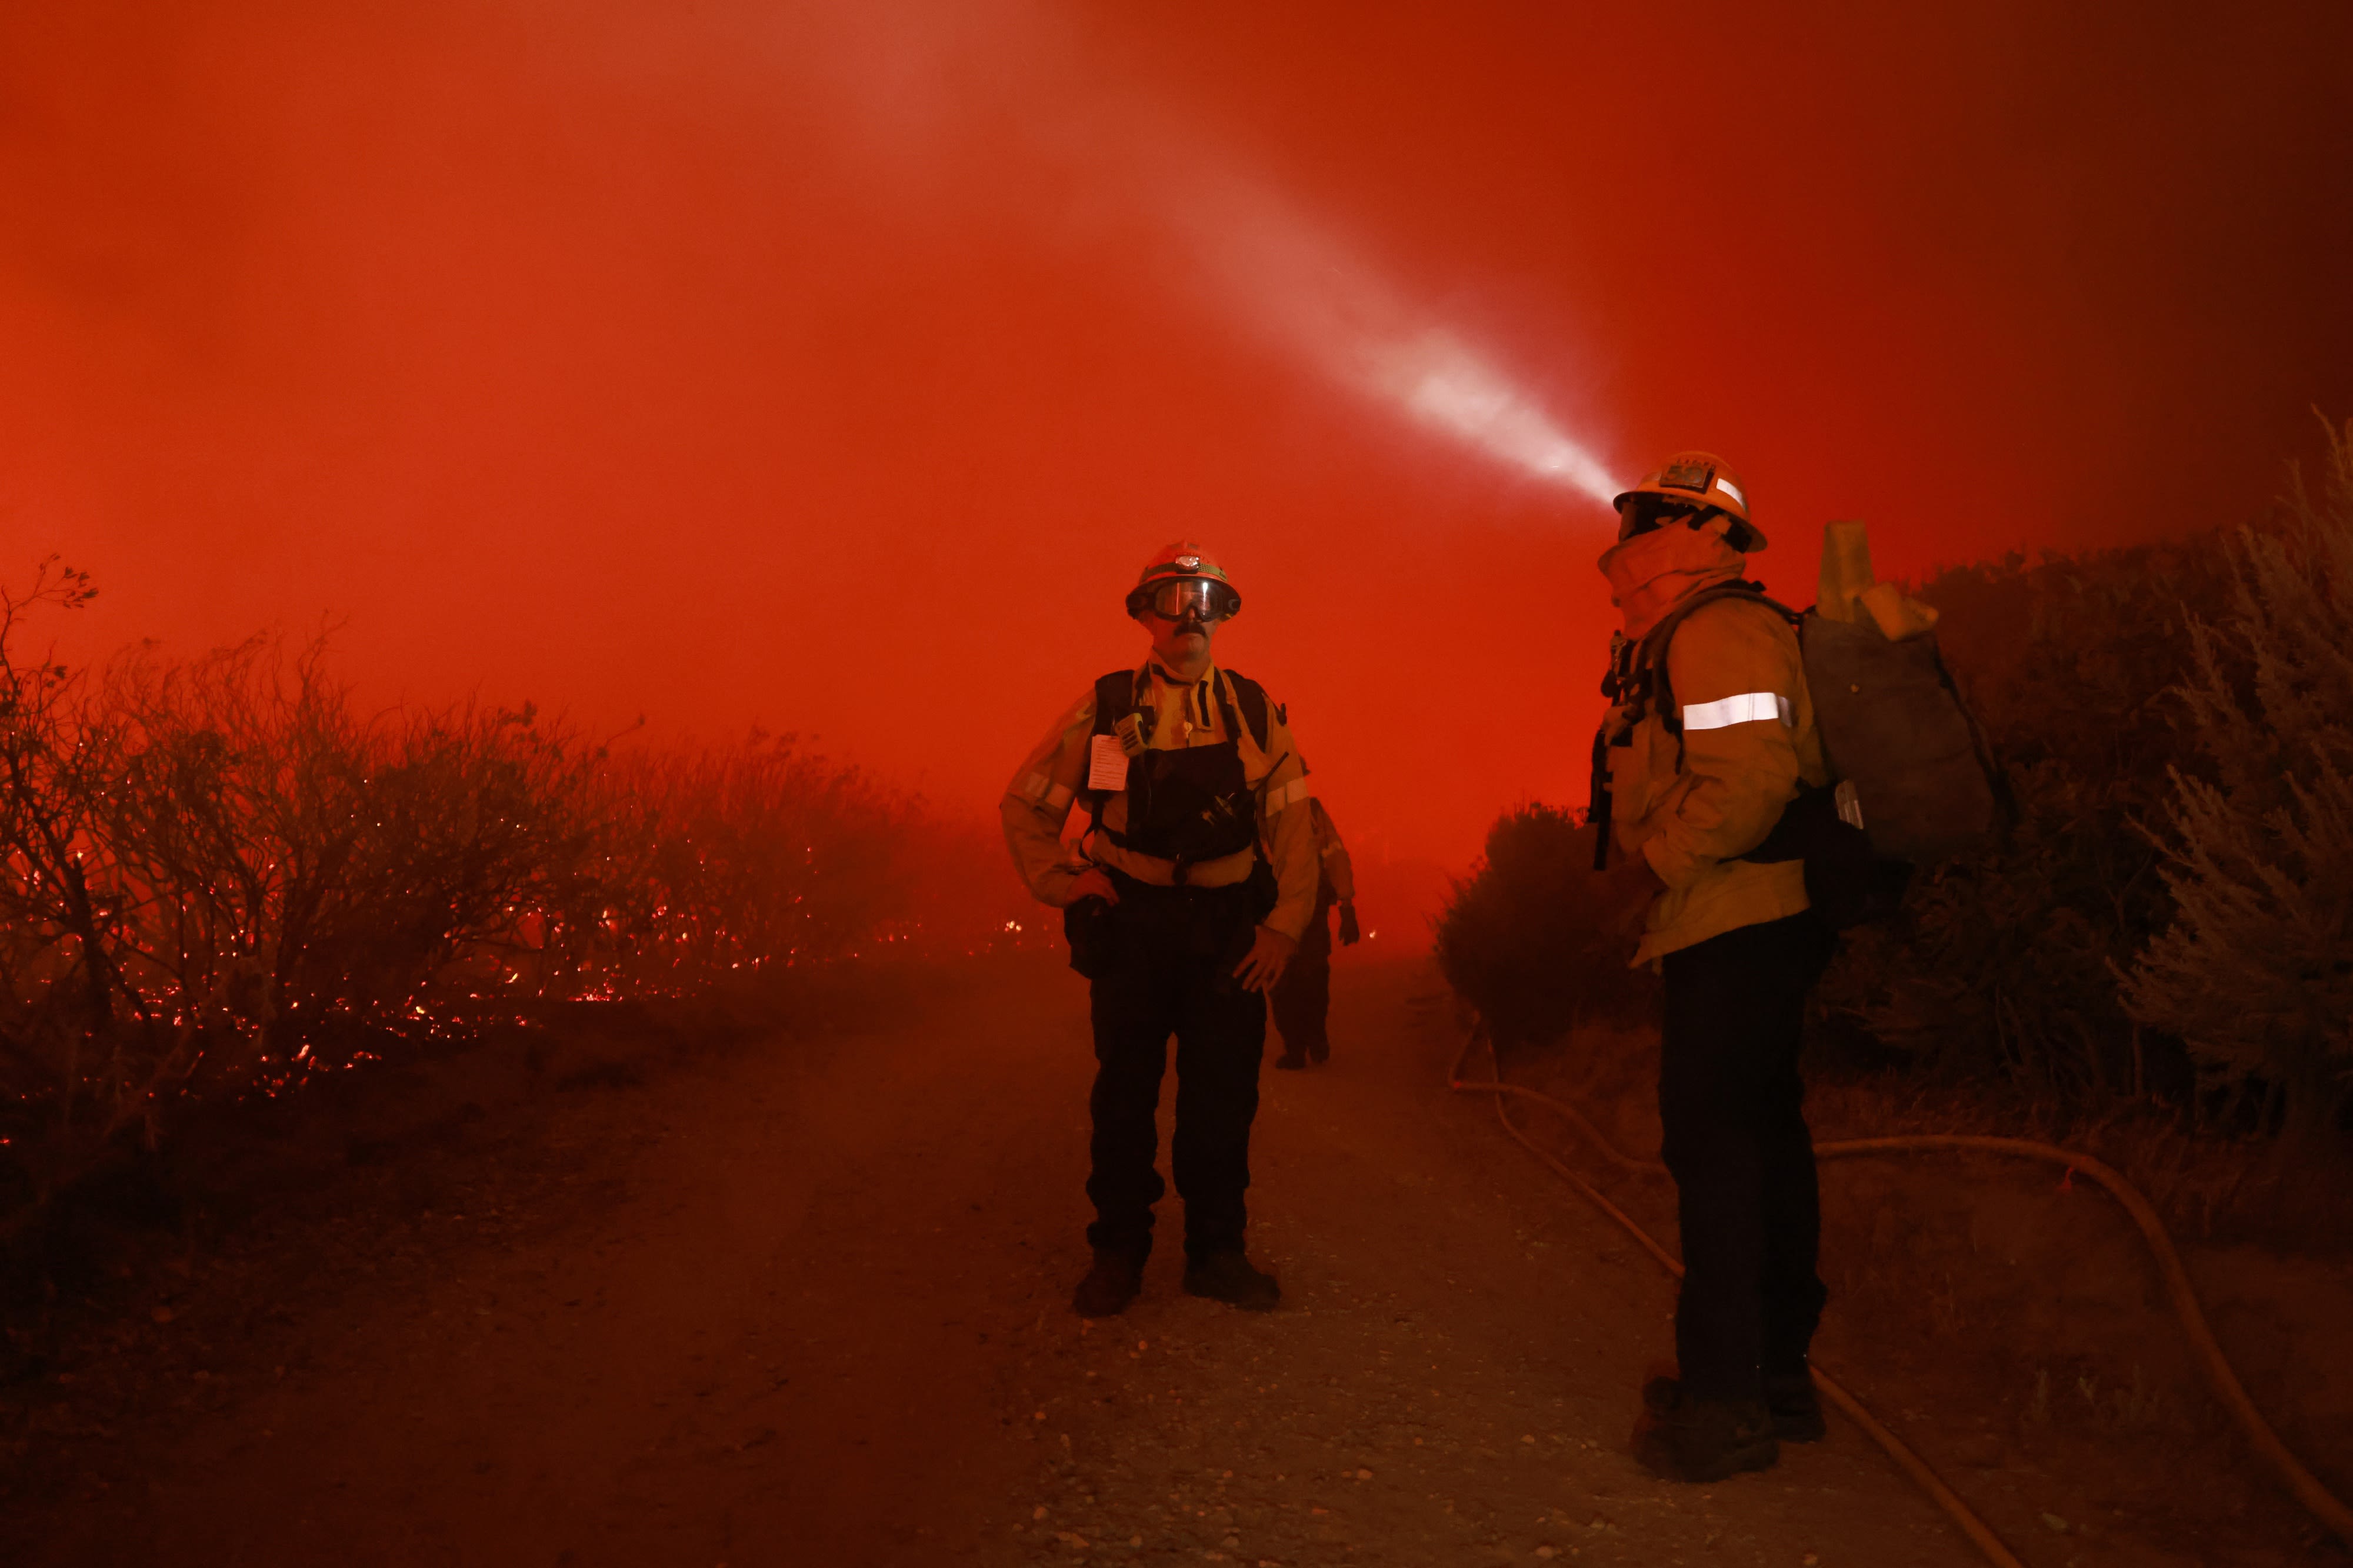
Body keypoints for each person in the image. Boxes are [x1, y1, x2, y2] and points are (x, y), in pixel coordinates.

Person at [1588, 452, 1836, 1483]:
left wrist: (1647, 868)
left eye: (1646, 521)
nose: (1629, 540)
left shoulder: (1720, 631)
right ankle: (1776, 1375)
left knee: (1723, 1157)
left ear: (1685, 535)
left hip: (1732, 921)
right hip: (1747, 921)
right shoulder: (1697, 632)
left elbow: (1746, 784)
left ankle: (1728, 1399)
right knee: (1765, 1146)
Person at [1001, 543, 1322, 1319]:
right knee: (1124, 1098)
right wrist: (1064, 881)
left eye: (1205, 598)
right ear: (1144, 615)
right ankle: (1117, 1251)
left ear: (1224, 614)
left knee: (1222, 1101)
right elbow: (1028, 803)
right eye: (1172, 599)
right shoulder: (1110, 709)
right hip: (1136, 928)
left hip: (1226, 932)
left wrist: (1281, 929)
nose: (1190, 617)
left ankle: (1217, 1253)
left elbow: (1293, 826)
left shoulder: (1251, 710)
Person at [1269, 799, 1359, 1069]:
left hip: (1310, 909)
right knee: (1281, 981)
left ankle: (1315, 1037)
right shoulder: (1257, 814)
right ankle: (1295, 1047)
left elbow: (1334, 855)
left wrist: (1346, 904)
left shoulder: (1311, 811)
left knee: (1313, 978)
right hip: (1275, 912)